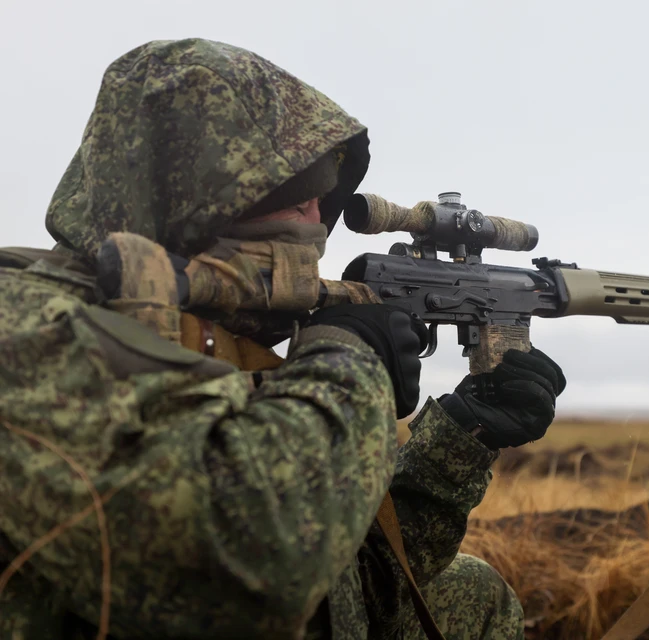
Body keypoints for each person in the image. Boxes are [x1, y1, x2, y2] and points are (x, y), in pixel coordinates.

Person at [0, 38, 565, 639]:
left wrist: (457, 443)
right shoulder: (26, 328)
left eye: (321, 190)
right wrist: (351, 362)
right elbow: (254, 572)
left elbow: (346, 594)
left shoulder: (219, 331)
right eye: (284, 188)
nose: (313, 215)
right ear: (177, 191)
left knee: (472, 593)